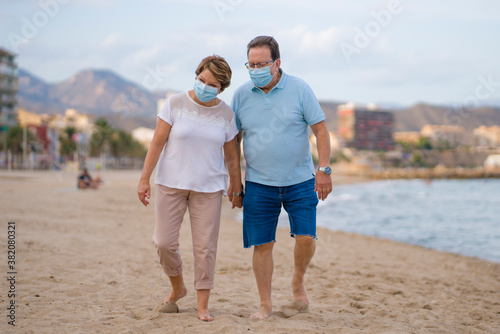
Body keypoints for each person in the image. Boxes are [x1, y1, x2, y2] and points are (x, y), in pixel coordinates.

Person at [230, 36, 333, 319]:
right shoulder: (240, 95)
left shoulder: (300, 89)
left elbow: (321, 131)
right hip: (259, 183)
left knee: (305, 237)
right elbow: (232, 141)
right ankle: (265, 304)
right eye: (251, 64)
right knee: (262, 244)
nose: (256, 69)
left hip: (300, 180)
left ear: (277, 63)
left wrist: (323, 169)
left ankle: (297, 279)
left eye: (262, 64)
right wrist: (235, 183)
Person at [137, 55, 242, 322]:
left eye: (212, 84)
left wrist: (236, 185)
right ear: (196, 75)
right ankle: (178, 287)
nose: (205, 86)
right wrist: (144, 178)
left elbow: (232, 157)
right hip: (170, 183)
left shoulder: (227, 114)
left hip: (208, 188)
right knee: (163, 242)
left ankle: (202, 305)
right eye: (201, 80)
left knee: (205, 248)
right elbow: (157, 143)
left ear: (222, 88)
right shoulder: (175, 103)